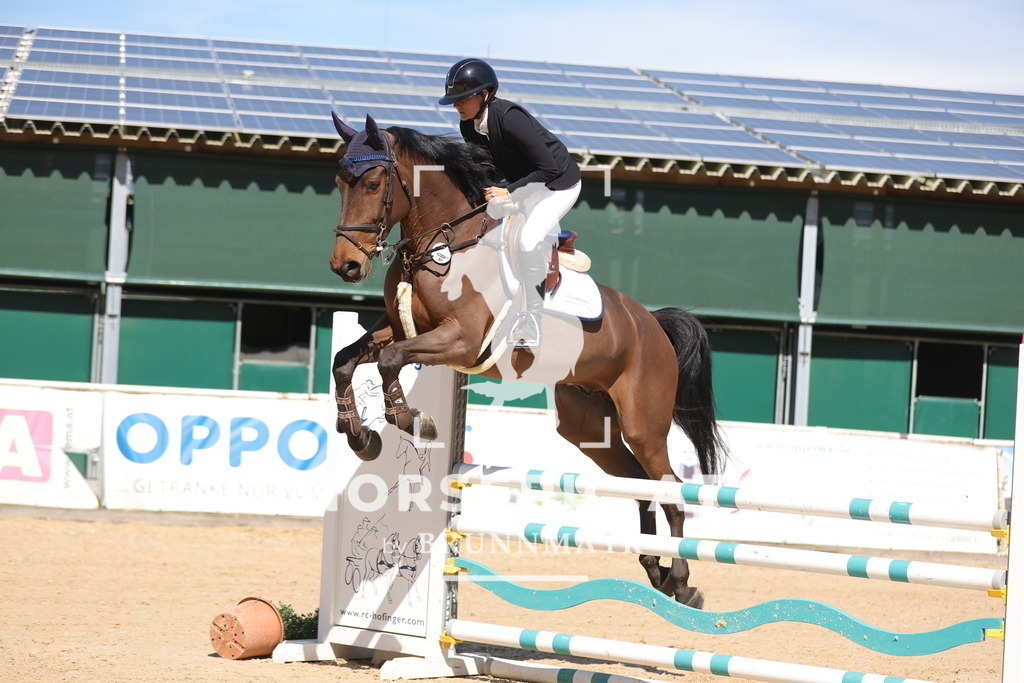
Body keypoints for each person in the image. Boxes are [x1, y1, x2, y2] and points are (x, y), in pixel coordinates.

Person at [440, 57, 582, 349]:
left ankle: (531, 320)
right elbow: (485, 169)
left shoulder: (510, 118)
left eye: (462, 99)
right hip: (524, 183)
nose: (456, 105)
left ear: (485, 95)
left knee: (529, 240)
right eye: (453, 100)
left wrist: (509, 193)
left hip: (557, 185)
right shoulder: (469, 124)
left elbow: (548, 170)